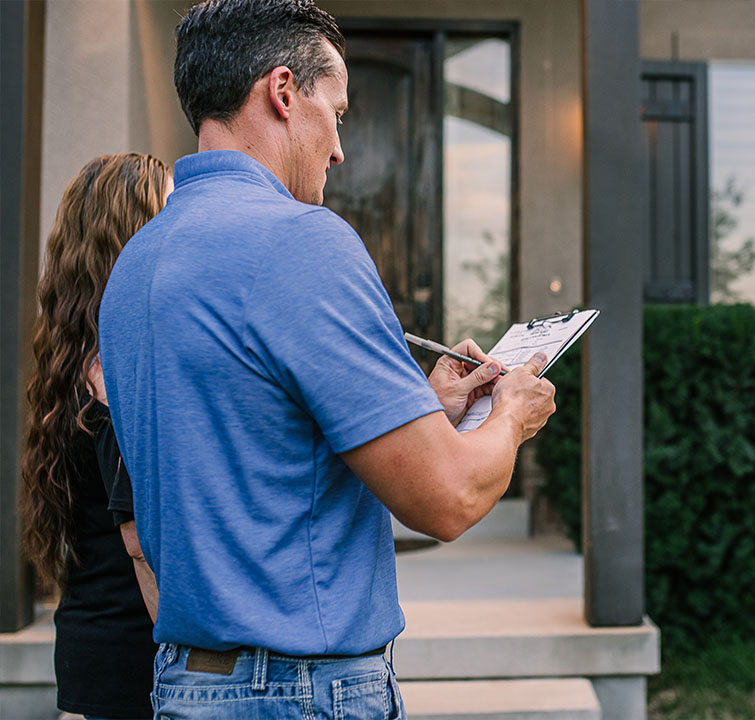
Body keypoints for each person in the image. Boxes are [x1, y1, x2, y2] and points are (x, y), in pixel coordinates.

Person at [97, 0, 556, 717]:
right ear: (283, 92)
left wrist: (425, 411)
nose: (341, 148)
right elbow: (450, 497)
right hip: (300, 692)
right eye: (337, 112)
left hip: (186, 685)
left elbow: (249, 451)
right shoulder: (304, 240)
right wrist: (512, 414)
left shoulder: (138, 262)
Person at [21, 153, 172, 720]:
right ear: (135, 235)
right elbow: (139, 545)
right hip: (134, 667)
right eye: (168, 213)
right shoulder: (113, 370)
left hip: (94, 649)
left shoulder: (73, 357)